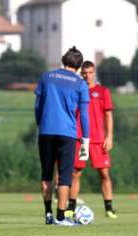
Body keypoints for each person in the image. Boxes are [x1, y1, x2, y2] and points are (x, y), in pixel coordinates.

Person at [35, 46, 90, 226]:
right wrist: (86, 140)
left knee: (46, 175)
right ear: (79, 66)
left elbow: (37, 105)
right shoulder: (81, 83)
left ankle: (48, 213)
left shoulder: (46, 77)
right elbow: (83, 115)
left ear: (63, 60)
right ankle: (60, 217)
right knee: (65, 177)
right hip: (67, 134)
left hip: (46, 131)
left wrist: (40, 123)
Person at [68, 61, 117, 219]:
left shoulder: (103, 92)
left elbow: (108, 115)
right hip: (80, 139)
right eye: (84, 73)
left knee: (104, 173)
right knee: (76, 173)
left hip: (97, 139)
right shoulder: (75, 90)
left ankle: (109, 208)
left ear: (94, 73)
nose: (87, 76)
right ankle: (71, 207)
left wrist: (109, 136)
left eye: (90, 73)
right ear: (81, 73)